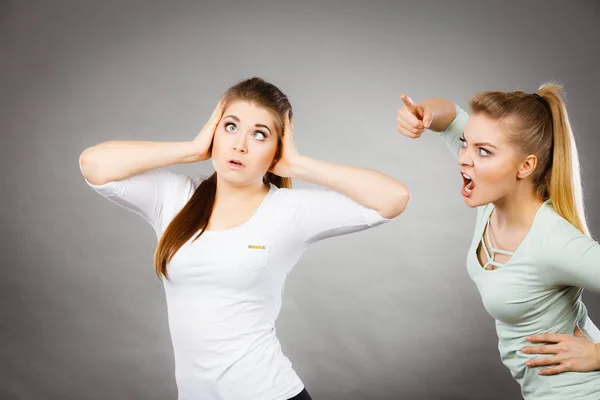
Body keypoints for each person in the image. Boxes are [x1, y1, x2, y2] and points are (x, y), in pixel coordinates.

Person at [79, 77, 410, 400]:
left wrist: (299, 165)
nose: (240, 144)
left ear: (277, 149)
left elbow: (393, 198)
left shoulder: (288, 211)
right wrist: (193, 148)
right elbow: (94, 164)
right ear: (215, 130)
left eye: (260, 134)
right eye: (231, 126)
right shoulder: (174, 196)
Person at [396, 84, 600, 399]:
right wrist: (425, 115)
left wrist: (598, 355)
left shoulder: (554, 241)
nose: (464, 158)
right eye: (466, 144)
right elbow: (449, 118)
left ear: (526, 166)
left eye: (483, 151)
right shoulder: (492, 196)